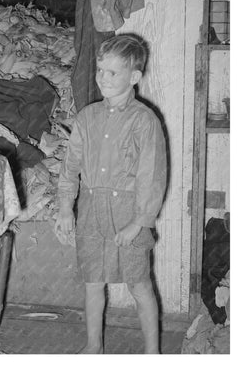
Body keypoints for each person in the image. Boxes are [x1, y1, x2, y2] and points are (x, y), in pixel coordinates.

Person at [55, 33, 167, 354]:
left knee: (139, 283)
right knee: (93, 283)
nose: (103, 78)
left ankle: (152, 352)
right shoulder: (86, 117)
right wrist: (65, 208)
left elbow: (152, 176)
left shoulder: (145, 121)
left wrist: (139, 222)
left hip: (128, 212)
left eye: (112, 72)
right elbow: (69, 167)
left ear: (134, 77)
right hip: (90, 210)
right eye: (100, 70)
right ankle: (94, 347)